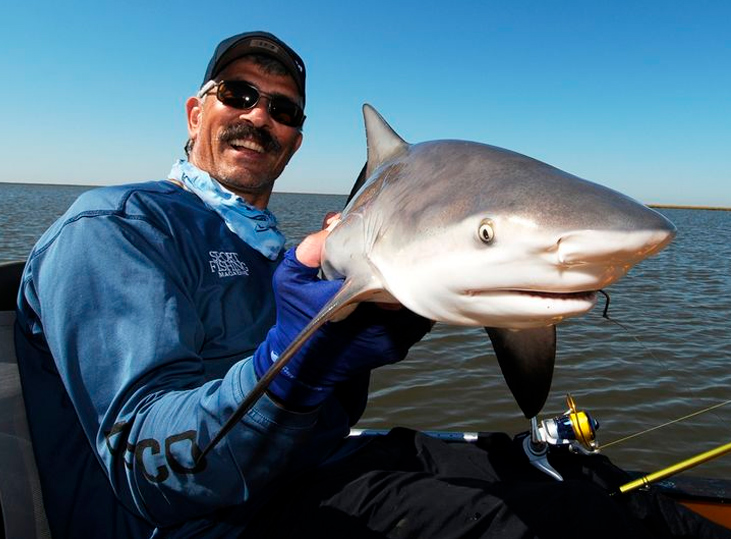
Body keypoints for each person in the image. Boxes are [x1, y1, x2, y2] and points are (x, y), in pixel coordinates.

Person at [14, 31, 731, 539]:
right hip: (195, 522)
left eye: (284, 109)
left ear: (296, 137)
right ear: (195, 110)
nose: (260, 115)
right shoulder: (116, 229)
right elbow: (154, 475)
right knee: (554, 525)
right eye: (238, 93)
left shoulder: (279, 250)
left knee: (575, 477)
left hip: (310, 462)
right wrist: (297, 357)